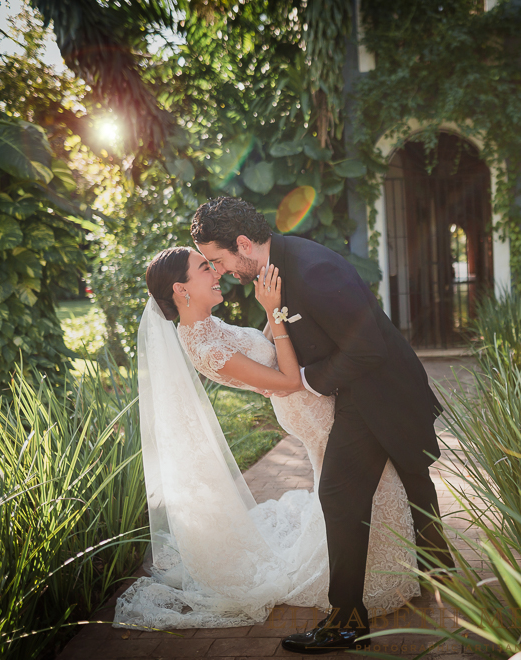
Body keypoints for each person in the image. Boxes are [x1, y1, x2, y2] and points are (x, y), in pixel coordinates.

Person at [191, 197, 454, 653]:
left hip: (378, 391)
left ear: (243, 244)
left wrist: (307, 380)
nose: (220, 271)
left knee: (340, 492)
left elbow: (367, 347)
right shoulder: (278, 267)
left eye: (218, 260)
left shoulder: (312, 271)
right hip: (363, 388)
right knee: (409, 473)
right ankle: (437, 568)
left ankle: (347, 622)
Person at [114, 247, 420, 631]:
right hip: (303, 406)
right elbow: (288, 380)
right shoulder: (206, 347)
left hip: (307, 400)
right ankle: (372, 581)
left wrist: (277, 309)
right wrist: (274, 313)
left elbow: (264, 350)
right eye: (205, 268)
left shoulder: (208, 324)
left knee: (357, 482)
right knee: (362, 483)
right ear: (181, 289)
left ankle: (381, 568)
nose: (216, 273)